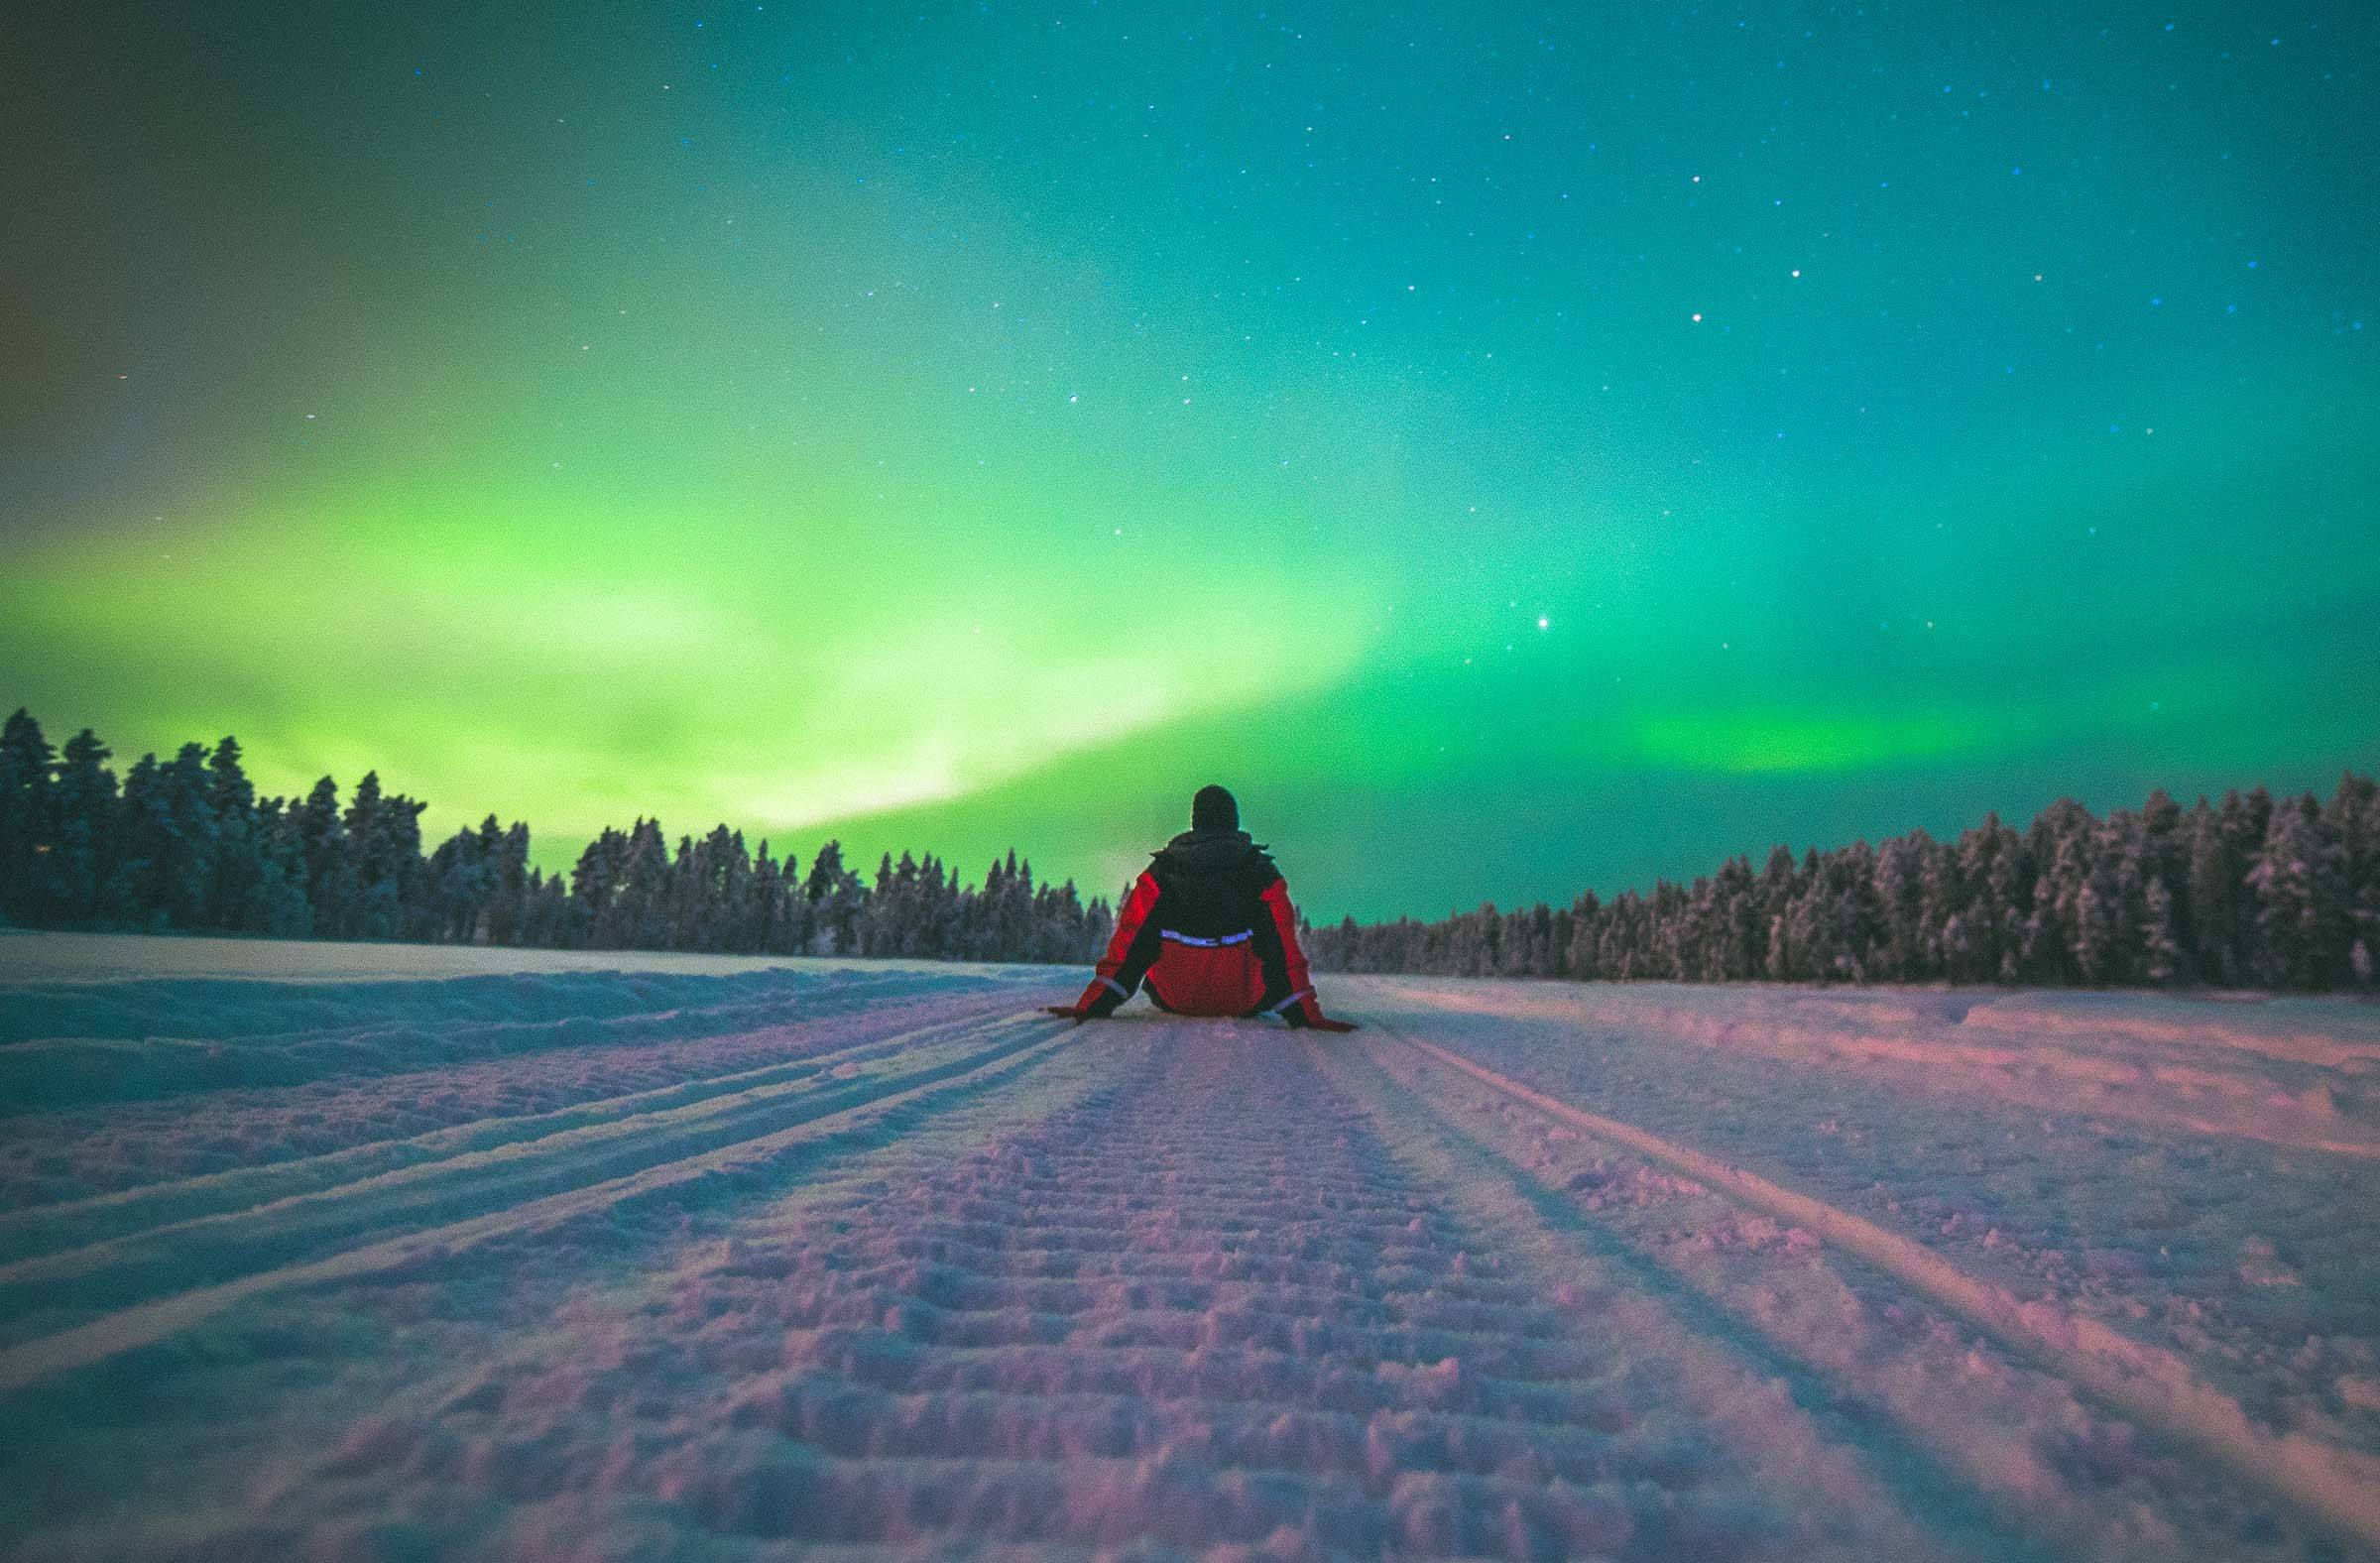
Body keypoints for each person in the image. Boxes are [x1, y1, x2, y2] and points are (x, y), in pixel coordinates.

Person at [1047, 784, 1359, 1030]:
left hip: (1175, 999)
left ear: (1196, 823)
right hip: (1244, 1001)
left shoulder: (1161, 873)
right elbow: (1283, 950)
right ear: (1233, 822)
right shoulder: (1260, 872)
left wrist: (1090, 1006)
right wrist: (1306, 1016)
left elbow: (1130, 947)